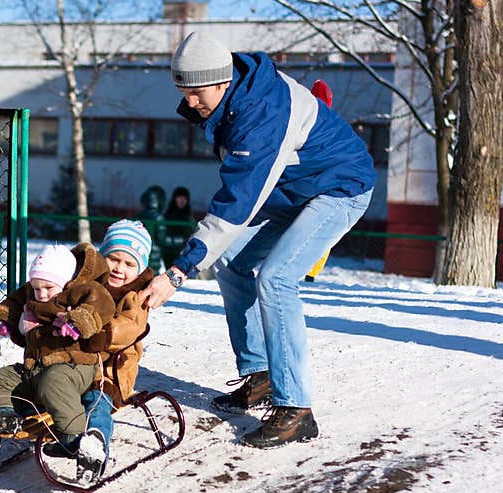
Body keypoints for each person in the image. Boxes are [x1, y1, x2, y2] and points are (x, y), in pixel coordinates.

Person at [139, 31, 375, 449]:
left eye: (195, 93)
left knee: (276, 278)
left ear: (221, 81)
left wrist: (177, 273)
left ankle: (296, 408)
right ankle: (262, 373)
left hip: (340, 189)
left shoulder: (261, 115)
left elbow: (236, 205)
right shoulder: (232, 98)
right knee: (230, 259)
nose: (189, 102)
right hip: (293, 191)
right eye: (183, 91)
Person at [0, 220, 155, 485]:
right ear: (103, 255)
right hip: (57, 365)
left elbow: (126, 329)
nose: (119, 268)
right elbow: (29, 297)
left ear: (140, 268)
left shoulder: (135, 298)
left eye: (130, 264)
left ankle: (91, 448)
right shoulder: (73, 279)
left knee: (96, 407)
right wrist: (18, 320)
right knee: (17, 400)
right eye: (114, 258)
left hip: (106, 375)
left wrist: (86, 329)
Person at [161, 186, 194, 269]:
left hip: (183, 255)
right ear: (175, 199)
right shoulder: (166, 216)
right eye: (179, 198)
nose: (182, 201)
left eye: (184, 198)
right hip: (168, 253)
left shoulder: (189, 218)